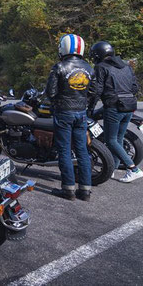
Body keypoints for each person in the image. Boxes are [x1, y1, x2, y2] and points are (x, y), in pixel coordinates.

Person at [45, 34, 94, 201]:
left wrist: (56, 103)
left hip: (63, 113)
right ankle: (86, 191)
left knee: (65, 151)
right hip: (81, 113)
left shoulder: (59, 67)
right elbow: (93, 93)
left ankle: (68, 190)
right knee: (82, 151)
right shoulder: (89, 68)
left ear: (63, 48)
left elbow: (50, 92)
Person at [88, 41, 143, 183]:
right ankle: (111, 169)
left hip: (114, 107)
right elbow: (135, 87)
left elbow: (96, 91)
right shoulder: (126, 66)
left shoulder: (101, 67)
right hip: (129, 106)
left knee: (110, 140)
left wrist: (90, 109)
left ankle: (133, 169)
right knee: (118, 139)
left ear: (98, 55)